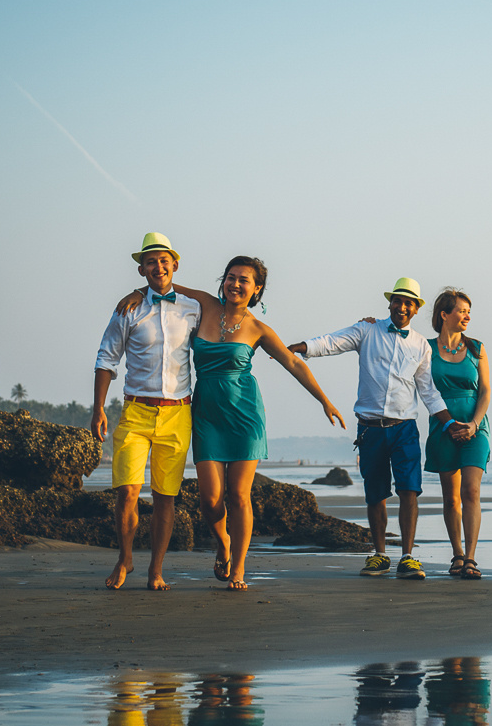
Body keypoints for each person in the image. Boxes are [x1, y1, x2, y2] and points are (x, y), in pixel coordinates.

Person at [123, 257, 346, 589]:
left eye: (244, 280)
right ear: (223, 280)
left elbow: (293, 364)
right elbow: (163, 285)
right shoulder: (205, 305)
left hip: (245, 417)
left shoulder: (258, 328)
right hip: (207, 415)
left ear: (257, 289)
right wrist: (138, 292)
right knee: (210, 501)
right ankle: (223, 543)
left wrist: (324, 401)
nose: (236, 284)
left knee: (239, 496)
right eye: (231, 277)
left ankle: (239, 569)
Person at [290, 278, 462, 580]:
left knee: (409, 490)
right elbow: (332, 341)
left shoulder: (421, 345)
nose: (402, 307)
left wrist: (448, 422)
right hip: (370, 429)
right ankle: (380, 555)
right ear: (390, 303)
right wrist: (298, 348)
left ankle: (407, 557)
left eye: (409, 303)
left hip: (404, 429)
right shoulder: (367, 330)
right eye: (398, 300)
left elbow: (428, 391)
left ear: (416, 309)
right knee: (375, 493)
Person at [92, 233, 200, 591]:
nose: (158, 267)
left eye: (163, 260)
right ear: (142, 269)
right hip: (136, 411)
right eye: (150, 262)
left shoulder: (192, 308)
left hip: (178, 413)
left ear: (175, 264)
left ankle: (156, 569)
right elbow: (106, 359)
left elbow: (223, 314)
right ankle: (125, 558)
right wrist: (98, 409)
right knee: (127, 491)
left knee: (166, 497)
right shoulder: (128, 309)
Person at [424, 290, 492, 580]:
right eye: (462, 311)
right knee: (451, 498)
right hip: (443, 427)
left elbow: (485, 391)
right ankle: (457, 554)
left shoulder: (477, 348)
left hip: (475, 427)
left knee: (471, 491)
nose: (467, 316)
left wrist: (474, 424)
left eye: (468, 311)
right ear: (444, 314)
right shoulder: (426, 348)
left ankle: (471, 558)